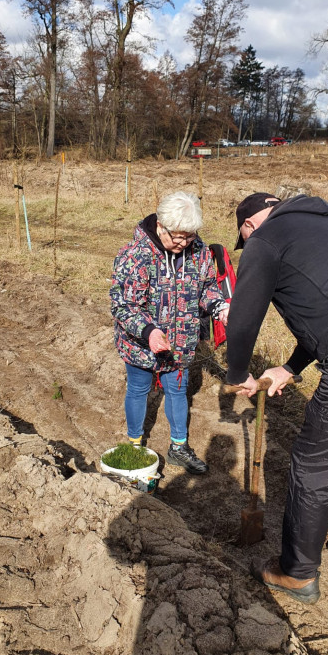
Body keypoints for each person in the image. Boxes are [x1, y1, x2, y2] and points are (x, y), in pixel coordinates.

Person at [225, 191, 328, 603]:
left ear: (248, 225)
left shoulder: (264, 240)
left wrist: (238, 374)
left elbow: (243, 317)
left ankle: (296, 573)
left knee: (314, 467)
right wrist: (291, 367)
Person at [110, 191, 228, 475]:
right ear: (160, 225)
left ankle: (178, 447)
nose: (183, 243)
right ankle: (135, 444)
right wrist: (148, 331)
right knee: (138, 389)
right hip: (141, 343)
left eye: (189, 236)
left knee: (178, 390)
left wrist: (217, 306)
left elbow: (207, 287)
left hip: (181, 342)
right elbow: (123, 305)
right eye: (177, 236)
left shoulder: (197, 250)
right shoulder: (135, 256)